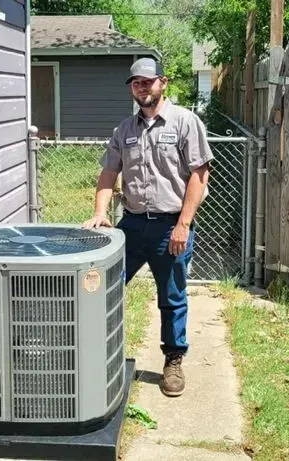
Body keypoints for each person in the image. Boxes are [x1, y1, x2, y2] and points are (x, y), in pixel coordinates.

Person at [83, 57, 214, 398]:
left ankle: (173, 360)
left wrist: (183, 224)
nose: (142, 87)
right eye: (136, 83)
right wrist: (100, 211)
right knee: (102, 288)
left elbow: (199, 176)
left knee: (171, 297)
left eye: (148, 81)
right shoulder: (123, 131)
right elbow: (109, 174)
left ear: (163, 82)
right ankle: (96, 353)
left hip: (171, 227)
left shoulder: (185, 123)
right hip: (132, 225)